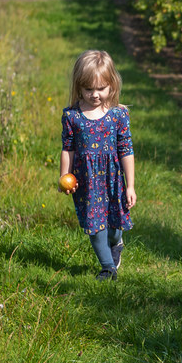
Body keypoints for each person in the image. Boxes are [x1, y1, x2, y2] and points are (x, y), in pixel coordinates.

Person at [59, 49, 136, 280]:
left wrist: (130, 185)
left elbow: (126, 150)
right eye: (88, 89)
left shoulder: (118, 115)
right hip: (87, 180)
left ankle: (116, 243)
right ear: (79, 87)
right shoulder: (72, 116)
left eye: (101, 88)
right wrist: (65, 176)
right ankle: (107, 267)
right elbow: (68, 148)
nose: (94, 95)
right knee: (95, 225)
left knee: (113, 226)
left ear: (112, 85)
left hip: (113, 179)